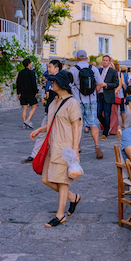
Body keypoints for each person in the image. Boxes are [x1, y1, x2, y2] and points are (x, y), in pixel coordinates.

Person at [29, 70, 83, 227]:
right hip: (52, 146)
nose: (51, 83)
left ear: (62, 84)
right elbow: (54, 122)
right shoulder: (54, 101)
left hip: (65, 148)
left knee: (62, 181)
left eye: (54, 81)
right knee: (45, 179)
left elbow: (76, 128)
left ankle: (60, 215)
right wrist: (40, 130)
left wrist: (74, 150)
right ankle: (73, 197)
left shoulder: (72, 103)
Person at [69, 50, 105, 159]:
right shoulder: (93, 68)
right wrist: (94, 92)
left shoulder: (73, 69)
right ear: (86, 57)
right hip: (91, 100)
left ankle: (78, 147)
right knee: (93, 122)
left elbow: (70, 85)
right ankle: (97, 145)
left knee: (77, 125)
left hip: (77, 101)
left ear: (77, 58)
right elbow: (100, 84)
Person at [96, 55, 119, 140]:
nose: (105, 62)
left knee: (106, 114)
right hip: (100, 94)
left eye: (106, 60)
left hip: (108, 94)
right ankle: (107, 126)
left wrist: (106, 85)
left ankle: (105, 132)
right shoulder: (100, 70)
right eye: (104, 60)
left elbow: (116, 83)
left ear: (109, 62)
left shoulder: (113, 71)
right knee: (98, 114)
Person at [16, 58, 39, 129]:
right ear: (29, 64)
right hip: (30, 92)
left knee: (24, 108)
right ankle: (28, 120)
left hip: (23, 92)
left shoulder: (20, 73)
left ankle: (24, 123)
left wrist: (18, 93)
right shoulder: (31, 73)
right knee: (34, 107)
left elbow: (18, 83)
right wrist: (36, 91)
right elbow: (33, 83)